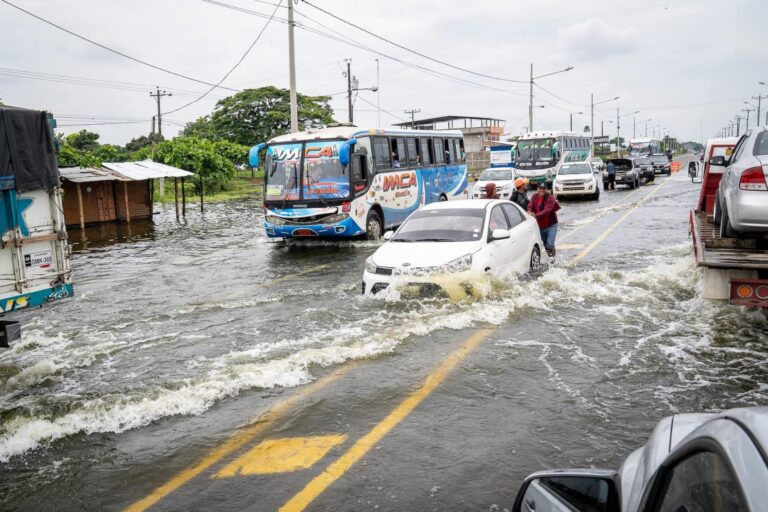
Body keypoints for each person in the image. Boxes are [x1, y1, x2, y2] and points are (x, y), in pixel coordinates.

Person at [528, 183, 561, 259]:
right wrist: (529, 211)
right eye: (540, 188)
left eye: (544, 188)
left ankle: (552, 258)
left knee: (550, 244)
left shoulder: (550, 198)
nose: (542, 190)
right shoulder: (534, 196)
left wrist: (536, 215)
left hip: (551, 225)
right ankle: (551, 258)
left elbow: (547, 210)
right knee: (546, 245)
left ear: (547, 190)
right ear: (537, 189)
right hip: (540, 226)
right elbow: (530, 205)